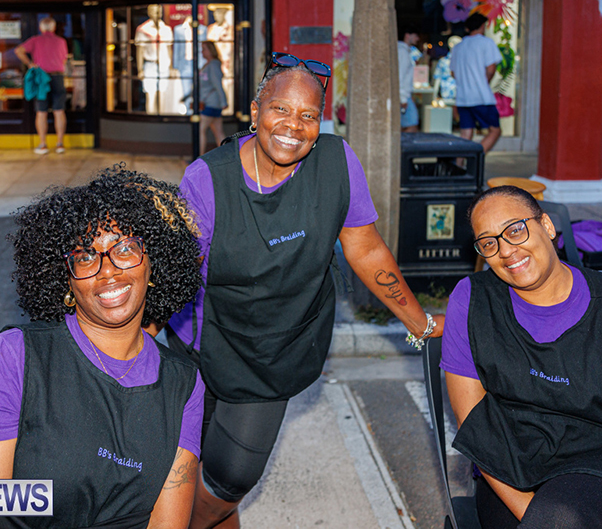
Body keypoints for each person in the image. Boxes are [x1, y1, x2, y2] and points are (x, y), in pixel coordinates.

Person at [166, 52, 444, 529]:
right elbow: (175, 273)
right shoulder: (207, 178)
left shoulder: (336, 162)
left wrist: (423, 325)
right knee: (188, 465)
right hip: (203, 342)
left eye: (308, 115)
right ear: (255, 113)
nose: (293, 125)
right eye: (280, 109)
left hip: (277, 351)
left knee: (232, 475)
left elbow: (366, 249)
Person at [0, 167, 205, 527]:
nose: (107, 270)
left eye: (125, 248)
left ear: (153, 263)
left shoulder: (183, 383)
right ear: (67, 281)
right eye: (85, 256)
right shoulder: (13, 358)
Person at [442, 185, 602, 528]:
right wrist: (537, 518)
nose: (507, 250)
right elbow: (475, 427)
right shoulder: (472, 301)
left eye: (515, 229)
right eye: (490, 242)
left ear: (547, 226)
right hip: (511, 473)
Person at [15, 16, 68, 154]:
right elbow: (64, 59)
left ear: (41, 28)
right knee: (59, 111)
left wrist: (30, 64)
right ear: (54, 28)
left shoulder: (35, 40)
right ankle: (60, 145)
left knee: (41, 112)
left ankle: (43, 145)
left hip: (41, 78)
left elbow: (18, 51)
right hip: (58, 77)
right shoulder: (61, 41)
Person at [450, 13, 502, 153]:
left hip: (462, 98)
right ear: (482, 26)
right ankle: (475, 160)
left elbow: (453, 73)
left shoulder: (458, 47)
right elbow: (491, 69)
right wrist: (483, 82)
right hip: (481, 97)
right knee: (494, 130)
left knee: (465, 134)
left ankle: (459, 165)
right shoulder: (486, 43)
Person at [199, 40, 227, 152]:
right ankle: (227, 156)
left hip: (210, 103)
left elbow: (217, 84)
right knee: (219, 132)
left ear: (210, 51)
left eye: (204, 49)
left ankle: (199, 156)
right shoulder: (209, 65)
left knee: (200, 130)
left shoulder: (213, 65)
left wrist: (223, 102)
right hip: (213, 102)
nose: (202, 52)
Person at [397, 28, 420, 133]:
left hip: (402, 95)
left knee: (404, 125)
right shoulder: (403, 52)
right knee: (412, 124)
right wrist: (403, 98)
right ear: (407, 35)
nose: (418, 38)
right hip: (402, 96)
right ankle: (402, 148)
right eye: (415, 35)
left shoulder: (400, 50)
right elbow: (400, 75)